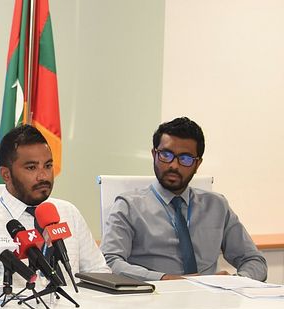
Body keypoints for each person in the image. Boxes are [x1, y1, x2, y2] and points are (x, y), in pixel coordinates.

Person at [102, 117, 267, 281]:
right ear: (154, 154)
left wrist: (235, 281)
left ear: (198, 164)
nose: (174, 165)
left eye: (185, 158)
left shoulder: (217, 206)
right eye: (166, 155)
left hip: (209, 295)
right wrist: (165, 279)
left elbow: (254, 261)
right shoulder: (129, 206)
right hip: (155, 293)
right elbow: (110, 261)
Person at [0, 124, 109, 280]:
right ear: (6, 174)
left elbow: (99, 272)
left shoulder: (69, 212)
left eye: (48, 166)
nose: (43, 176)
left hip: (73, 296)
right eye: (31, 168)